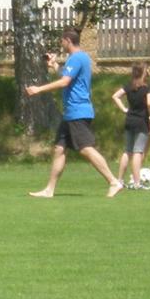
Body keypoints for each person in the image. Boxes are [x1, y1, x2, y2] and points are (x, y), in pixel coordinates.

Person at [25, 29, 122, 199]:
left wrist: (39, 89)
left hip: (78, 111)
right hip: (71, 113)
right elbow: (67, 76)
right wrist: (55, 65)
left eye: (62, 41)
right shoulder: (77, 58)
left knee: (85, 149)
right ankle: (49, 190)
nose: (61, 44)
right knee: (59, 149)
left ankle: (114, 181)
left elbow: (65, 82)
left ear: (68, 40)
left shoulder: (77, 58)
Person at [112, 63, 150, 190]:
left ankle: (119, 180)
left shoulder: (129, 86)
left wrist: (124, 109)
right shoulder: (148, 87)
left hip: (129, 120)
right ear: (144, 72)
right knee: (138, 151)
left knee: (127, 151)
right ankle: (137, 182)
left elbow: (115, 96)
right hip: (141, 121)